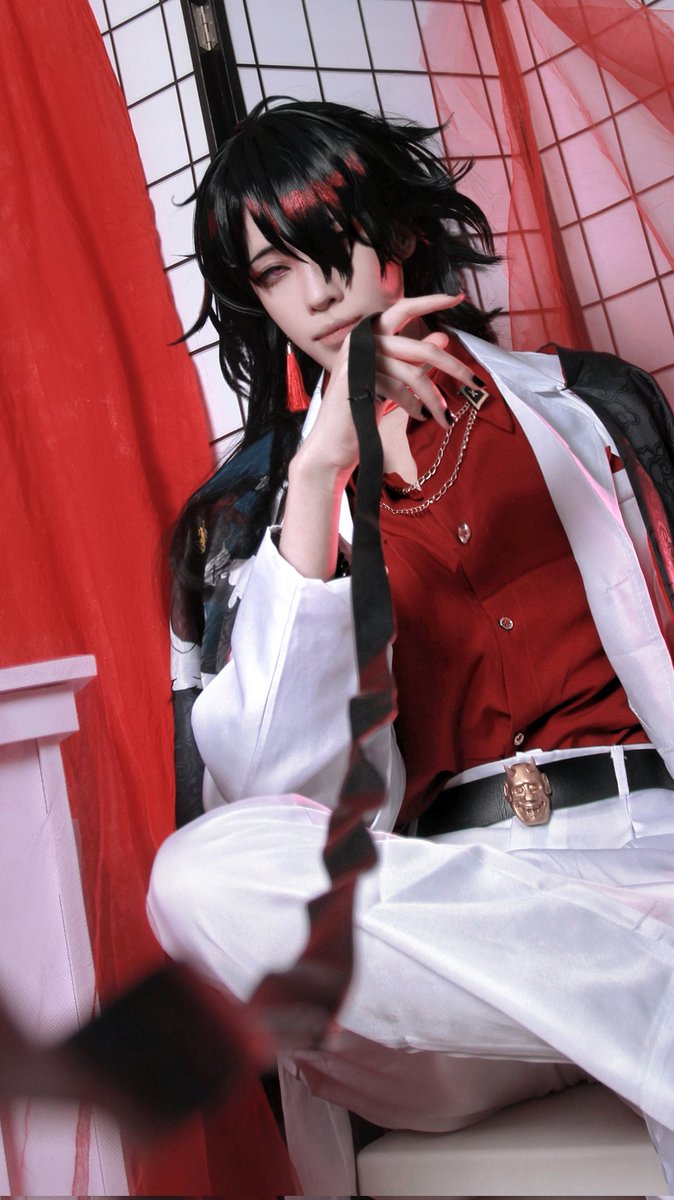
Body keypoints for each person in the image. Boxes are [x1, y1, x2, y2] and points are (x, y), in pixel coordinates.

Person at [148, 98, 674, 1193]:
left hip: (646, 858)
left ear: (396, 230)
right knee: (197, 876)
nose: (318, 291)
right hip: (450, 949)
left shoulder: (592, 406)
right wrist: (314, 473)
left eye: (333, 241)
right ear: (255, 302)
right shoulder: (249, 520)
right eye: (275, 272)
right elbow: (277, 794)